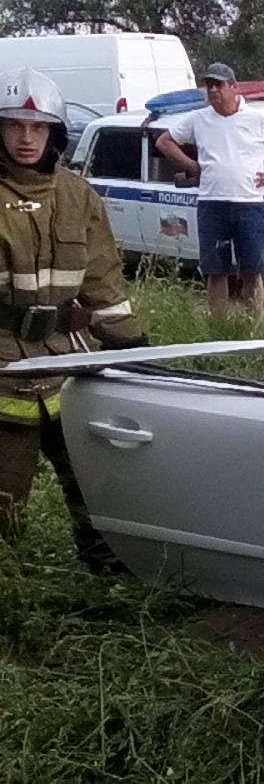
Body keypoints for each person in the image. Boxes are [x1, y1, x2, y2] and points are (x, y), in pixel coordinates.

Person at [0, 67, 147, 572]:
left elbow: (103, 281)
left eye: (37, 127)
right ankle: (12, 594)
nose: (25, 137)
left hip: (68, 365)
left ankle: (107, 571)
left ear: (54, 132)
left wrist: (133, 348)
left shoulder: (77, 195)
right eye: (15, 125)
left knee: (91, 481)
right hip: (3, 372)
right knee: (4, 501)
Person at [155, 62, 264, 312]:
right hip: (212, 204)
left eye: (219, 85)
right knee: (215, 269)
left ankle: (252, 327)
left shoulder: (258, 119)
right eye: (209, 86)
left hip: (250, 204)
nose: (213, 91)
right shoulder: (198, 119)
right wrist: (192, 166)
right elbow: (164, 142)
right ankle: (219, 328)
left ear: (234, 87)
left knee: (253, 270)